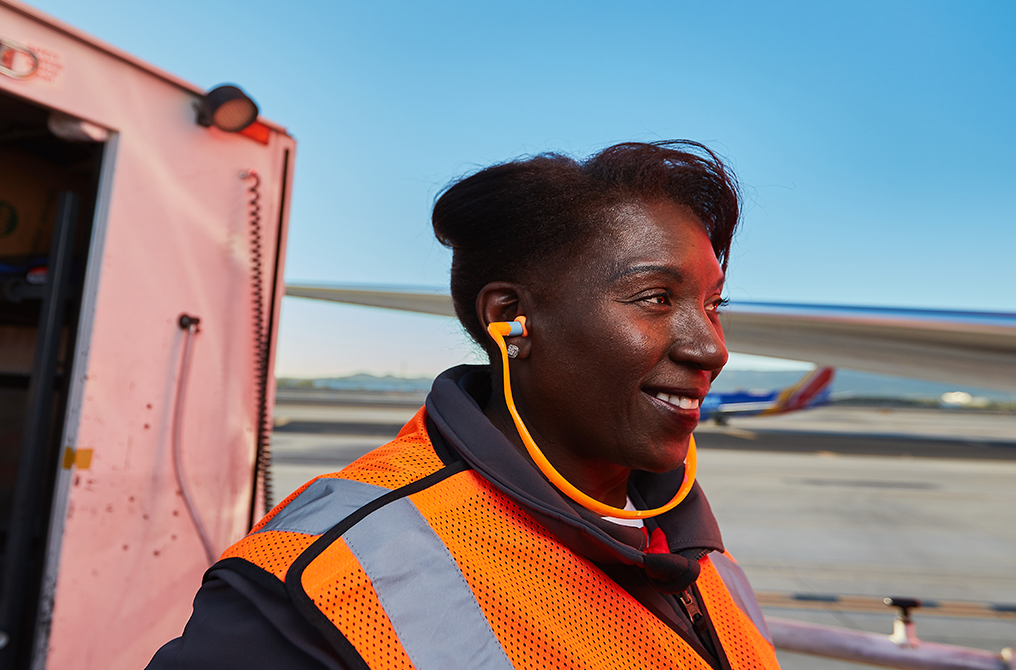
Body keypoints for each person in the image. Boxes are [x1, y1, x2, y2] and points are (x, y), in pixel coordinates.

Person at [148, 141, 780, 669]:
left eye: (712, 305)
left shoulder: (696, 552)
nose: (712, 349)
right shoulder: (333, 576)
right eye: (654, 298)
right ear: (511, 319)